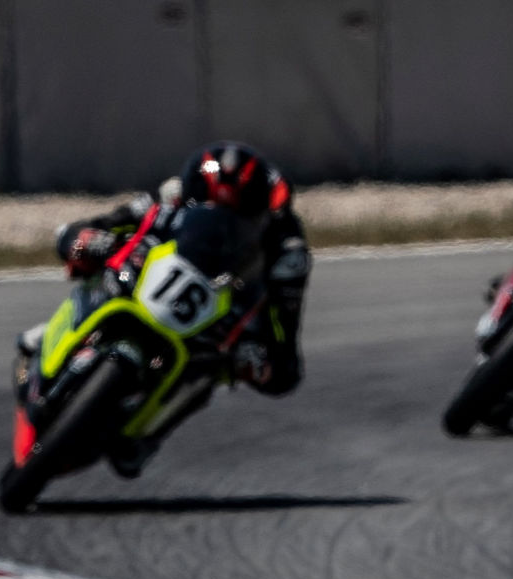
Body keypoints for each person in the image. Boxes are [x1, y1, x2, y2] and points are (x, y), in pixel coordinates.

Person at [18, 141, 311, 476]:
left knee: (208, 372)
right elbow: (85, 229)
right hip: (142, 281)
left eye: (238, 213)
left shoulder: (287, 251)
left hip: (216, 316)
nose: (219, 220)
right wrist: (89, 240)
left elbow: (286, 356)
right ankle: (53, 340)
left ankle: (151, 432)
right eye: (208, 202)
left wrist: (260, 361)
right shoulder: (169, 197)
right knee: (97, 271)